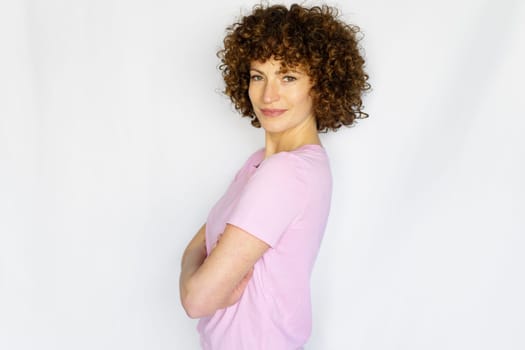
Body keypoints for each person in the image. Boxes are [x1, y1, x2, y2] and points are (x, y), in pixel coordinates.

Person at [179, 3, 370, 349]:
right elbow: (196, 248)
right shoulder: (261, 165)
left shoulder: (286, 172)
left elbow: (197, 300)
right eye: (258, 75)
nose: (268, 95)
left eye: (289, 76)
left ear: (321, 84)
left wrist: (194, 279)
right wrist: (196, 273)